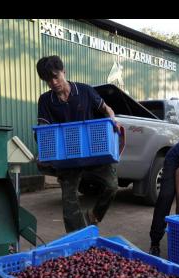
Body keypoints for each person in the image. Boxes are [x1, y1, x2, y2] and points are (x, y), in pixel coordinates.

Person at [36, 55, 120, 233]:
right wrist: (43, 149)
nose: (53, 82)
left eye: (56, 76)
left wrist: (113, 121)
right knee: (69, 201)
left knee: (112, 186)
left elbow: (107, 110)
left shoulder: (85, 91)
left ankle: (94, 216)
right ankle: (78, 239)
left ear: (63, 72)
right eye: (48, 80)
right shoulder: (45, 100)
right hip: (67, 156)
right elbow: (44, 129)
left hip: (93, 151)